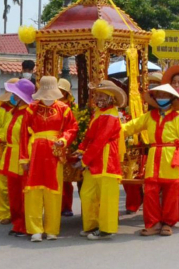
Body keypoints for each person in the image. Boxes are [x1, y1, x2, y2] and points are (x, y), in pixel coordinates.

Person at [123, 84, 179, 236]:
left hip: (172, 158)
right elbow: (132, 126)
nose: (162, 98)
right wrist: (113, 126)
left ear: (172, 99)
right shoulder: (150, 116)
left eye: (165, 95)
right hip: (154, 156)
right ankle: (153, 223)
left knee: (172, 193)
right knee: (150, 192)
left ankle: (168, 223)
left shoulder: (178, 119)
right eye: (159, 95)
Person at [20, 76, 78, 242]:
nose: (47, 97)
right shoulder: (31, 109)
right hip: (35, 151)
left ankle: (52, 229)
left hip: (54, 152)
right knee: (33, 190)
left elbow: (72, 128)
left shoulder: (63, 108)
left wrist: (64, 139)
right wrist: (24, 159)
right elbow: (24, 134)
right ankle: (35, 229)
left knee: (54, 190)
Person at [76, 80, 126, 240]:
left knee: (106, 198)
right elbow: (90, 136)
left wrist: (84, 160)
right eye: (97, 95)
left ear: (111, 98)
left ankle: (106, 229)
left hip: (106, 159)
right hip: (95, 159)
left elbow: (100, 141)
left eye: (102, 95)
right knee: (87, 194)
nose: (98, 98)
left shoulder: (111, 115)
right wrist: (80, 150)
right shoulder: (98, 113)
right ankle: (92, 225)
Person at [0, 78, 35, 236]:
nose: (12, 96)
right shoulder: (13, 112)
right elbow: (7, 131)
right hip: (10, 157)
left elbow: (28, 138)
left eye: (15, 93)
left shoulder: (29, 114)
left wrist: (26, 158)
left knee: (24, 194)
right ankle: (17, 224)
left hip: (22, 158)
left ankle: (25, 225)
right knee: (14, 193)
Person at [57, 78, 77, 217]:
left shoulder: (71, 107)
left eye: (61, 90)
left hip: (67, 144)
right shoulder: (51, 105)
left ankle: (67, 206)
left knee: (67, 180)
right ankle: (57, 206)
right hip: (55, 144)